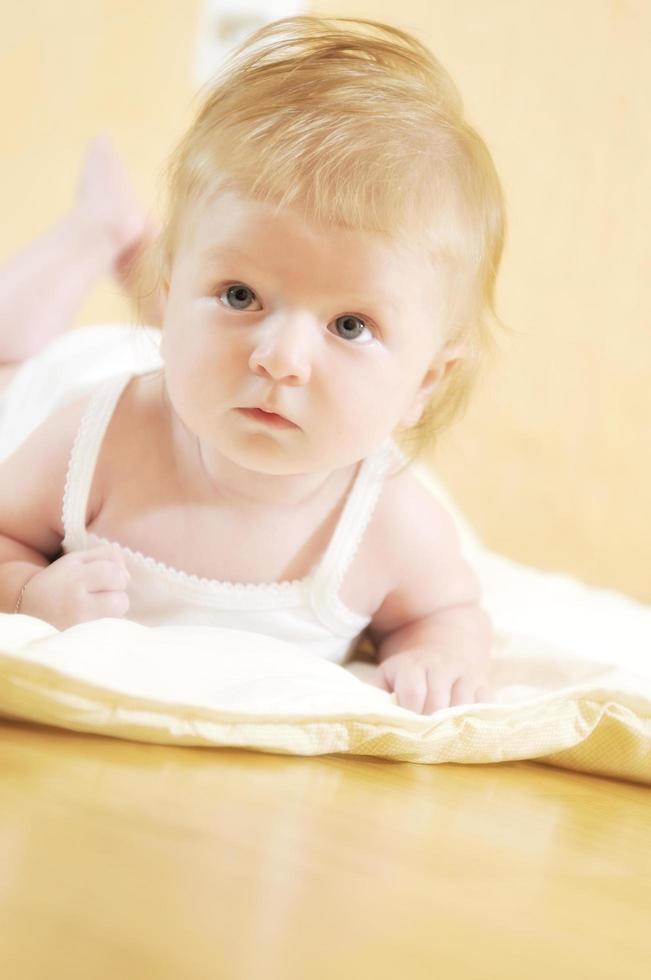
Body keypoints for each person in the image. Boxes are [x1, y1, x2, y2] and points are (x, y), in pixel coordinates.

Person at [0, 16, 506, 715]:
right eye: (241, 294)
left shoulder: (389, 524)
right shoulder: (95, 437)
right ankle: (100, 228)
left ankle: (159, 255)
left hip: (193, 359)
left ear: (423, 381)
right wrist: (29, 592)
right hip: (52, 386)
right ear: (168, 297)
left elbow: (445, 614)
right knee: (13, 351)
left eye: (350, 326)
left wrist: (437, 654)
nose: (281, 359)